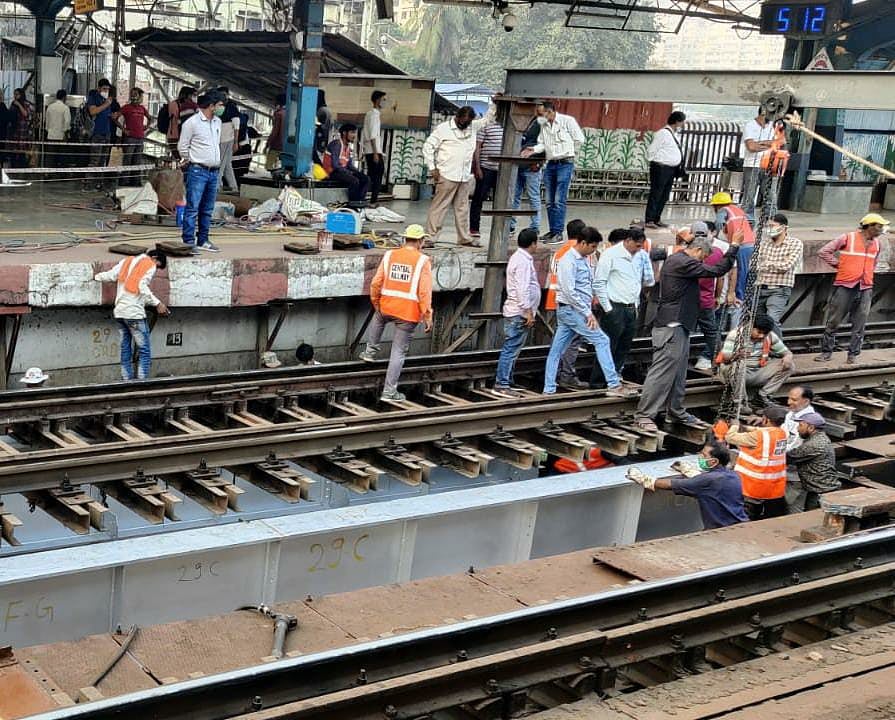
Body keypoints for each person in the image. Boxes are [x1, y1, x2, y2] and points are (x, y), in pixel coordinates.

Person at [634, 235, 740, 432]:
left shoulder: (679, 260)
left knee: (678, 372)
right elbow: (717, 270)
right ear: (699, 251)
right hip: (672, 326)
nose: (700, 262)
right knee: (663, 372)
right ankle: (644, 414)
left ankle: (676, 410)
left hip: (680, 325)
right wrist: (733, 247)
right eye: (702, 258)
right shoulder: (683, 262)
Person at [543, 227, 638, 398]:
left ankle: (549, 389)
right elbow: (569, 291)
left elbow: (584, 285)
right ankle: (613, 383)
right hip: (573, 310)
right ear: (583, 243)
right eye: (592, 247)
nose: (594, 250)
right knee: (602, 340)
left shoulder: (582, 259)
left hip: (570, 310)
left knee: (557, 350)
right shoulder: (568, 261)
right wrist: (587, 313)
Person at [360, 224, 433, 401]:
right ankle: (389, 391)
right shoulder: (423, 260)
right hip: (408, 313)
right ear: (420, 242)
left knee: (378, 317)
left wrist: (376, 302)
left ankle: (370, 351)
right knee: (398, 352)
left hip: (387, 306)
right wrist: (427, 315)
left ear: (405, 239)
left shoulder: (389, 255)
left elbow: (376, 282)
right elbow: (424, 291)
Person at [816, 213, 887, 363]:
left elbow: (873, 263)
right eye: (879, 226)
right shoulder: (848, 238)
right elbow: (824, 251)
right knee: (834, 321)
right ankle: (826, 352)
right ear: (869, 226)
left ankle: (852, 354)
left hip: (865, 286)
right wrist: (839, 265)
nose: (881, 230)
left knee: (860, 323)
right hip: (846, 285)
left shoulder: (877, 243)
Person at [627, 441, 748, 529]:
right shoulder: (733, 476)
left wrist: (643, 479)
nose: (700, 457)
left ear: (714, 461)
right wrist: (689, 472)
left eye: (704, 455)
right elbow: (706, 483)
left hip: (722, 532)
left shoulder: (708, 480)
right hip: (740, 526)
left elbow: (672, 484)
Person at [93, 250, 171, 380]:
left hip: (120, 313)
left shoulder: (127, 261)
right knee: (144, 350)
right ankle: (141, 383)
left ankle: (127, 382)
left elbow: (111, 275)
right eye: (157, 265)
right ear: (155, 258)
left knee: (125, 349)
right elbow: (142, 285)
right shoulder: (149, 263)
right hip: (134, 314)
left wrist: (96, 276)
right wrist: (158, 303)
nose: (155, 269)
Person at [423, 105, 492, 248]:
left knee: (462, 209)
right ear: (457, 117)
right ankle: (430, 237)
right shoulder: (444, 129)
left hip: (464, 176)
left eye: (467, 123)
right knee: (439, 207)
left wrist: (495, 104)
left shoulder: (472, 127)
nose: (464, 125)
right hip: (447, 174)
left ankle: (464, 238)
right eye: (462, 122)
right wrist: (432, 167)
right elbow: (428, 147)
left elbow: (488, 119)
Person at [592, 227, 654, 386]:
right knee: (608, 346)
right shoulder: (611, 255)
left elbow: (647, 280)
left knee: (624, 346)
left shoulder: (640, 256)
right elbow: (599, 282)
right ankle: (599, 381)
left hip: (631, 306)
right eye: (637, 245)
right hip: (615, 306)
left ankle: (614, 376)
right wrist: (608, 308)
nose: (639, 249)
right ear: (627, 241)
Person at [521, 100, 584, 242]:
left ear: (549, 112)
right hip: (551, 164)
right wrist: (533, 150)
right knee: (549, 200)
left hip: (565, 163)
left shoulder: (567, 121)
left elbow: (579, 139)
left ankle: (558, 232)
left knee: (558, 200)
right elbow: (542, 143)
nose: (539, 116)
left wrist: (568, 152)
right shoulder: (543, 125)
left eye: (541, 113)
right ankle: (552, 231)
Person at [493, 229, 540, 398]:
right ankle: (502, 384)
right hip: (518, 312)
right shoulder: (523, 261)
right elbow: (522, 288)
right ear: (533, 243)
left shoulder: (520, 258)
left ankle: (508, 380)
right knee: (511, 349)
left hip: (517, 311)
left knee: (514, 348)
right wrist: (528, 311)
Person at [544, 219, 592, 389]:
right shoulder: (581, 253)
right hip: (573, 303)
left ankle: (555, 375)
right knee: (573, 342)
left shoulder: (559, 251)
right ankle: (567, 375)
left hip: (555, 300)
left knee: (559, 342)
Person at [716, 314, 795, 412]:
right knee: (737, 366)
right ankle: (740, 403)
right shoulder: (735, 334)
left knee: (790, 366)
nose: (761, 336)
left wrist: (788, 357)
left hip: (757, 371)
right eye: (759, 332)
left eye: (764, 334)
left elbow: (786, 352)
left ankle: (762, 396)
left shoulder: (770, 336)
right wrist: (736, 355)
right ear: (750, 326)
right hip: (736, 373)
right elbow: (725, 358)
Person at [179, 91, 225, 254]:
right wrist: (192, 159)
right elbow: (182, 147)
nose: (222, 108)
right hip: (198, 170)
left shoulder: (218, 122)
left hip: (213, 171)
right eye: (220, 105)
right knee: (193, 207)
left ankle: (203, 239)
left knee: (207, 208)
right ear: (211, 106)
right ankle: (189, 241)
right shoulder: (192, 123)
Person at [726, 404, 788, 520]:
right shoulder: (782, 433)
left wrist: (734, 426)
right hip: (773, 488)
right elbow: (763, 432)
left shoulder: (758, 436)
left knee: (747, 518)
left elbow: (730, 437)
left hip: (752, 487)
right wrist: (746, 427)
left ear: (766, 420)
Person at [755, 213, 802, 339]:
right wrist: (776, 264)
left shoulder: (795, 244)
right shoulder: (764, 243)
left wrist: (767, 264)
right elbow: (755, 264)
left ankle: (780, 350)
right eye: (768, 226)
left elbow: (787, 266)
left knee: (771, 319)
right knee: (758, 322)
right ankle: (762, 349)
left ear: (784, 227)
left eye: (772, 226)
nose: (769, 229)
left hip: (780, 289)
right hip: (761, 287)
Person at [786, 412, 840, 511]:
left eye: (800, 425)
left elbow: (788, 457)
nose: (797, 429)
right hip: (821, 489)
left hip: (820, 493)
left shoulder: (813, 444)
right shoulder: (821, 437)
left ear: (811, 428)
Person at [644, 111, 686, 229]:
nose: (683, 124)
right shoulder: (663, 133)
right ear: (677, 121)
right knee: (656, 194)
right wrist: (656, 162)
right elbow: (652, 149)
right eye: (682, 121)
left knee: (664, 195)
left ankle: (657, 218)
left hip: (670, 169)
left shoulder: (673, 134)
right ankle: (650, 219)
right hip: (661, 168)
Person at [691, 221, 724, 371]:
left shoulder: (688, 252)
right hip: (706, 300)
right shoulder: (716, 252)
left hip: (688, 301)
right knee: (712, 332)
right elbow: (721, 277)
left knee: (683, 331)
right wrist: (717, 297)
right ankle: (719, 360)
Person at [469, 117, 504, 239]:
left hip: (503, 171)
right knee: (478, 198)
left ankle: (500, 229)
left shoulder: (510, 126)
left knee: (501, 202)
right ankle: (474, 228)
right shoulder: (486, 125)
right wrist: (477, 167)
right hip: (486, 168)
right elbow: (477, 147)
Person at [509, 113, 543, 235]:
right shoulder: (519, 119)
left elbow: (546, 144)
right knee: (514, 196)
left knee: (533, 197)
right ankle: (511, 225)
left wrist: (539, 162)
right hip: (517, 164)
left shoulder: (540, 123)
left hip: (532, 166)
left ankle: (535, 226)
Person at [741, 108, 776, 223]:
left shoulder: (774, 126)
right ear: (764, 112)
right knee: (749, 196)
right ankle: (747, 220)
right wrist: (769, 144)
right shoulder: (750, 126)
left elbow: (780, 143)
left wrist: (759, 143)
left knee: (770, 195)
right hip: (752, 165)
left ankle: (770, 219)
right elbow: (751, 147)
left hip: (769, 165)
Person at [326, 123, 370, 203]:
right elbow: (335, 165)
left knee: (365, 179)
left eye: (355, 133)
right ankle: (352, 203)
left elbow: (349, 164)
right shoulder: (337, 144)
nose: (354, 135)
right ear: (344, 133)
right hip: (332, 172)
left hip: (341, 171)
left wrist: (358, 172)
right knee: (354, 180)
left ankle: (360, 201)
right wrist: (349, 173)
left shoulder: (348, 147)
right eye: (352, 132)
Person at [83, 79, 114, 190]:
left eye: (108, 89)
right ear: (99, 88)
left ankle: (98, 183)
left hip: (107, 133)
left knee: (103, 160)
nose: (106, 91)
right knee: (94, 160)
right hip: (97, 133)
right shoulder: (94, 97)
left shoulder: (107, 100)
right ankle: (88, 184)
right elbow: (93, 112)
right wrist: (106, 105)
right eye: (104, 89)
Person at [118, 87, 150, 186]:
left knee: (137, 160)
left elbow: (150, 118)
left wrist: (146, 127)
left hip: (140, 138)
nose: (134, 96)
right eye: (133, 94)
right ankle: (124, 181)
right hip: (130, 138)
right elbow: (115, 117)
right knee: (127, 160)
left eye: (137, 95)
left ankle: (135, 181)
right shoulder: (126, 107)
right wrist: (123, 129)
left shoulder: (142, 108)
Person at [363, 90, 386, 205]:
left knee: (373, 175)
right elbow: (372, 135)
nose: (385, 102)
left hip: (372, 150)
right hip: (373, 151)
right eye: (383, 100)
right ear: (377, 100)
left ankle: (368, 199)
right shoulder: (373, 115)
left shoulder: (372, 114)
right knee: (377, 176)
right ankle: (373, 201)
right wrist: (376, 153)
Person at [216, 87, 240, 192]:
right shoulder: (218, 106)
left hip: (227, 139)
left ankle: (216, 187)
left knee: (220, 164)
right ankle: (233, 187)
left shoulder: (231, 107)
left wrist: (235, 142)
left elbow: (236, 126)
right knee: (226, 165)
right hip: (220, 139)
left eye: (224, 94)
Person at [167, 86, 197, 159]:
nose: (193, 97)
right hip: (178, 136)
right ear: (187, 95)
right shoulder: (179, 104)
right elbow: (176, 120)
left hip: (176, 135)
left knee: (181, 159)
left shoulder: (174, 104)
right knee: (182, 159)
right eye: (192, 95)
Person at [784, 385, 815, 450]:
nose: (788, 402)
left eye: (794, 400)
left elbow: (795, 447)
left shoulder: (807, 422)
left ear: (806, 401)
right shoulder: (793, 412)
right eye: (789, 398)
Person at [45, 89, 70, 168]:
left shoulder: (50, 107)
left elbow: (47, 122)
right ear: (64, 97)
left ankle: (48, 173)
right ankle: (61, 174)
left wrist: (48, 130)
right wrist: (66, 132)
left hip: (51, 135)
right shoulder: (65, 108)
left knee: (50, 156)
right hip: (61, 136)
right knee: (62, 157)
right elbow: (67, 122)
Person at [10, 88, 32, 169]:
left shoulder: (26, 104)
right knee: (14, 148)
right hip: (14, 129)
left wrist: (19, 105)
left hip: (23, 129)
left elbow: (26, 114)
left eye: (17, 94)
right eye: (14, 94)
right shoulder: (13, 104)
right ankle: (14, 165)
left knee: (22, 148)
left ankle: (22, 164)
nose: (15, 96)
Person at [265, 93, 286, 171]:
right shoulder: (289, 113)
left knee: (269, 166)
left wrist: (268, 143)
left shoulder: (278, 114)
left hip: (276, 144)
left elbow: (275, 131)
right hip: (286, 146)